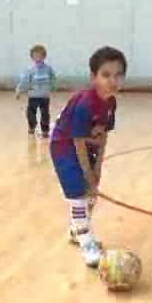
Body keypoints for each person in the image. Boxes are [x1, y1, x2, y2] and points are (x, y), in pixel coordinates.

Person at [50, 46, 127, 267]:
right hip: (64, 147)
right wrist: (87, 172)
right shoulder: (85, 103)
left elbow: (102, 138)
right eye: (106, 75)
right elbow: (78, 142)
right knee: (79, 195)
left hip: (88, 145)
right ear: (93, 77)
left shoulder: (111, 103)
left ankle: (77, 230)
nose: (112, 80)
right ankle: (86, 243)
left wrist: (98, 171)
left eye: (118, 75)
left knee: (92, 193)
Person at [15, 44, 56, 138]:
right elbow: (24, 81)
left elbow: (53, 78)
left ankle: (45, 130)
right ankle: (32, 126)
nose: (38, 58)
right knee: (31, 112)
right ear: (32, 57)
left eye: (40, 56)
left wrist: (53, 87)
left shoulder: (48, 69)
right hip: (33, 96)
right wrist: (19, 91)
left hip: (44, 96)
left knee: (45, 113)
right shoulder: (30, 70)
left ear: (44, 56)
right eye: (35, 56)